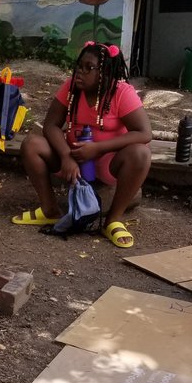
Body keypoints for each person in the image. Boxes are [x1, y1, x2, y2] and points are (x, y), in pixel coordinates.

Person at [12, 42, 152, 248]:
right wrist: (67, 155)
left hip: (108, 161)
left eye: (89, 68)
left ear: (104, 73)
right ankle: (50, 210)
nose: (80, 72)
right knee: (32, 143)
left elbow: (144, 133)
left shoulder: (121, 92)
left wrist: (98, 148)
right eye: (79, 66)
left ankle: (112, 220)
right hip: (72, 157)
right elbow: (51, 125)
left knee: (141, 153)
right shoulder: (71, 88)